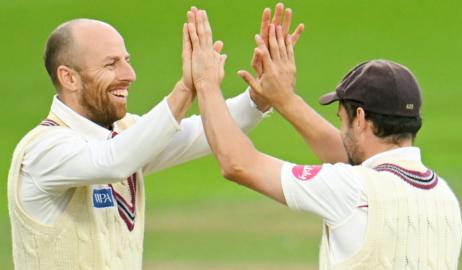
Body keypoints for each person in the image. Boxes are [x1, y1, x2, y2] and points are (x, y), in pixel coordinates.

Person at [6, 6, 294, 269]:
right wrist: (187, 88)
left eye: (127, 61)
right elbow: (113, 161)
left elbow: (206, 132)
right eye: (111, 64)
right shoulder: (42, 151)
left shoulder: (125, 135)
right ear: (69, 78)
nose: (129, 74)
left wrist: (259, 96)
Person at [186, 6, 462, 269]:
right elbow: (353, 157)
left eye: (341, 120)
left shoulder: (351, 190)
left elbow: (239, 164)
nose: (341, 132)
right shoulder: (444, 197)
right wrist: (284, 99)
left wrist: (206, 83)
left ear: (361, 119)